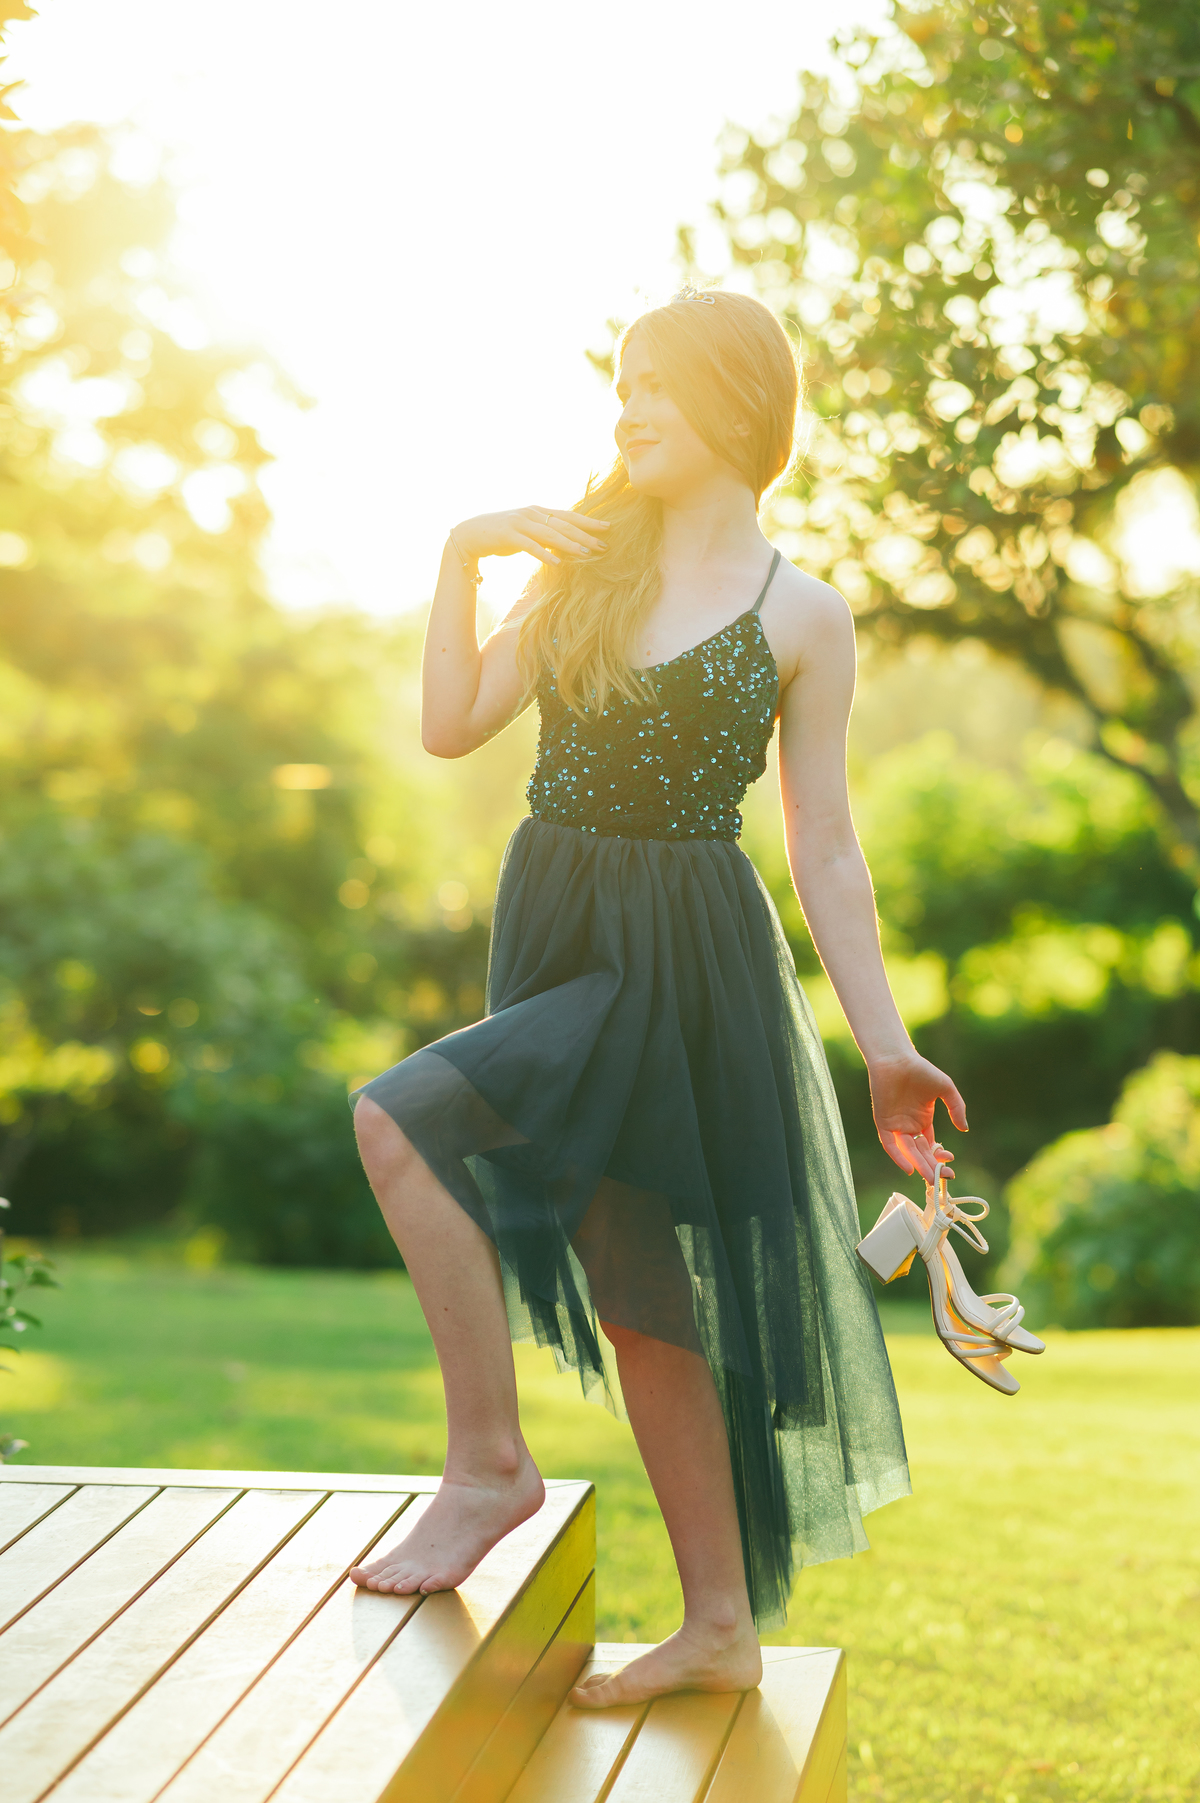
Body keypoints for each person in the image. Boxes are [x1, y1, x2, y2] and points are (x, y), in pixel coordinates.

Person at [348, 287, 966, 1709]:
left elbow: (825, 845)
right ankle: (719, 1629)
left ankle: (487, 1466)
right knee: (638, 1295)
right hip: (557, 926)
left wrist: (886, 1047)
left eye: (657, 388)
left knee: (398, 1122)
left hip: (679, 961)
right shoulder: (583, 572)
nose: (627, 410)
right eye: (620, 387)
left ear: (742, 408)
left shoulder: (800, 613)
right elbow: (451, 728)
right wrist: (461, 557)